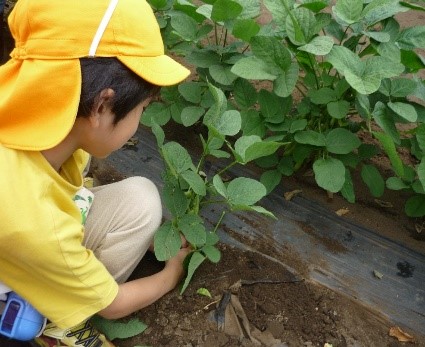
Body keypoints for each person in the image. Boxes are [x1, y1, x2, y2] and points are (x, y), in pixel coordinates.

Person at [0, 0, 191, 346]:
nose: (139, 122)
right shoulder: (35, 219)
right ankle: (57, 321)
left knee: (140, 200)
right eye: (142, 109)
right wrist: (172, 272)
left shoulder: (38, 119)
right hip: (24, 245)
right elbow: (113, 305)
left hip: (20, 242)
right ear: (102, 105)